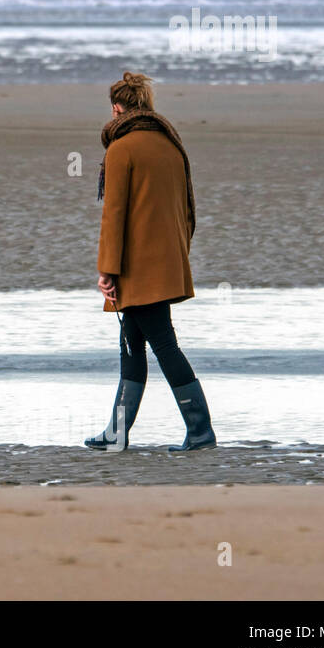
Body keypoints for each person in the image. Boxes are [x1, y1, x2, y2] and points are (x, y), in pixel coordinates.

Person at [86, 72, 216, 452]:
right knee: (132, 343)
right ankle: (117, 432)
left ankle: (201, 431)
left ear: (117, 108)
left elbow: (114, 214)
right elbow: (187, 209)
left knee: (162, 344)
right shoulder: (170, 144)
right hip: (166, 261)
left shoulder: (121, 149)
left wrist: (107, 270)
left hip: (135, 267)